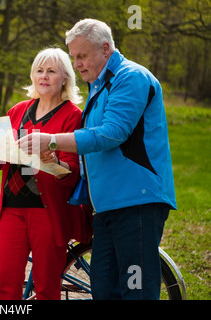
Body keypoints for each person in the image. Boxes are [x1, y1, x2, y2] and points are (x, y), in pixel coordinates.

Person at [18, 19, 176, 300]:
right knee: (104, 290)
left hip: (136, 203)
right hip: (105, 207)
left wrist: (50, 138)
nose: (77, 64)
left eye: (82, 56)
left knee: (135, 290)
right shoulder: (99, 86)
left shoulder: (131, 77)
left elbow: (111, 134)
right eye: (73, 57)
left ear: (105, 49)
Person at [0, 47, 93, 300]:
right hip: (12, 209)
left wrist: (53, 160)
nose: (44, 76)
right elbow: (0, 160)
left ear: (65, 77)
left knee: (46, 289)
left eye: (51, 71)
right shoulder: (18, 111)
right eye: (39, 71)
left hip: (49, 213)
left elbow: (73, 171)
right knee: (5, 285)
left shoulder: (73, 116)